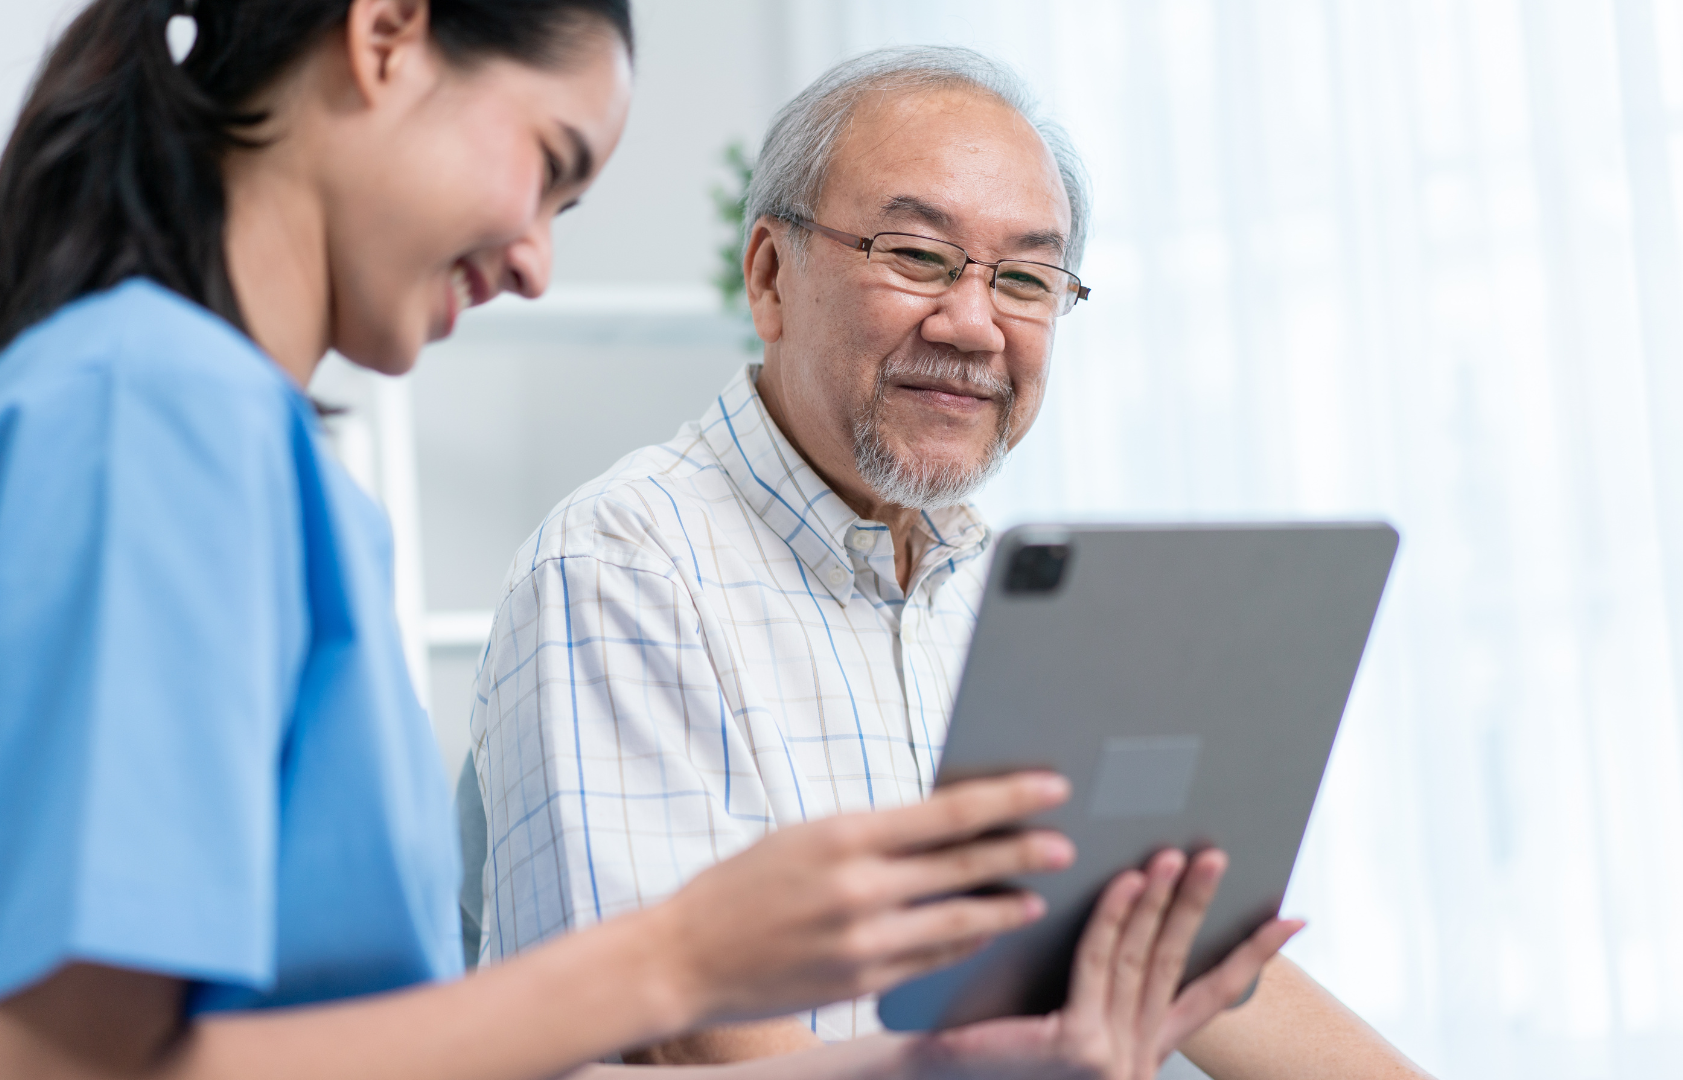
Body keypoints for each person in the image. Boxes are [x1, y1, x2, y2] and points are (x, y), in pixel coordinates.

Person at [0, 5, 1297, 1080]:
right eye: (546, 163)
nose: (535, 258)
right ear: (387, 35)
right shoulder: (147, 421)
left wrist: (991, 1059)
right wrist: (684, 955)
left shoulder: (267, 466)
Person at [468, 46, 1432, 1079]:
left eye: (1026, 278)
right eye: (917, 256)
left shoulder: (1006, 596)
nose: (974, 323)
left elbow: (1177, 944)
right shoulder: (621, 566)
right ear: (770, 276)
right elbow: (698, 1040)